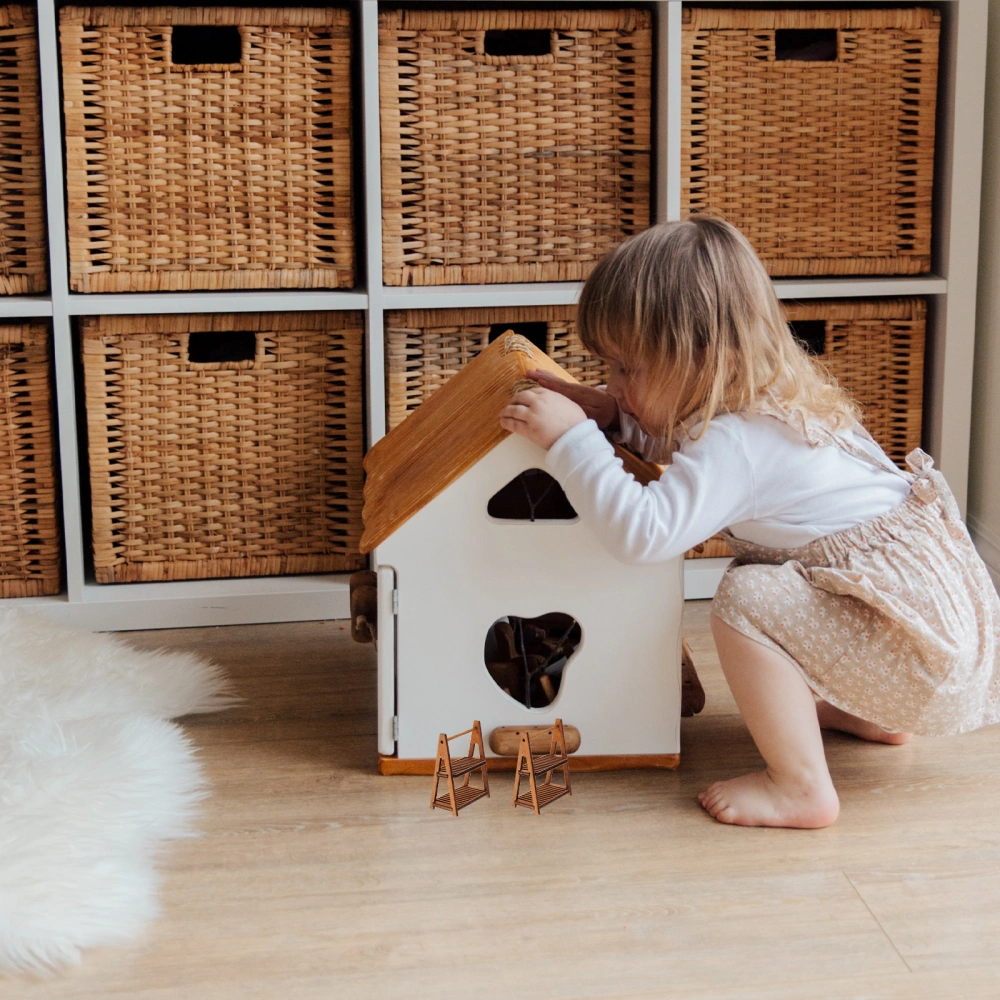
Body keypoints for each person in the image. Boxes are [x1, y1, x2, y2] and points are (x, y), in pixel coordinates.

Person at [499, 216, 1000, 829]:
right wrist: (615, 420)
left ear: (709, 358)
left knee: (745, 595)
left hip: (920, 660)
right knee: (777, 586)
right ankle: (877, 715)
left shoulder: (737, 442)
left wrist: (575, 444)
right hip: (926, 637)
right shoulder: (772, 394)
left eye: (628, 370)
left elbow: (644, 533)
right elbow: (680, 446)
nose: (613, 383)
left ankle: (801, 788)